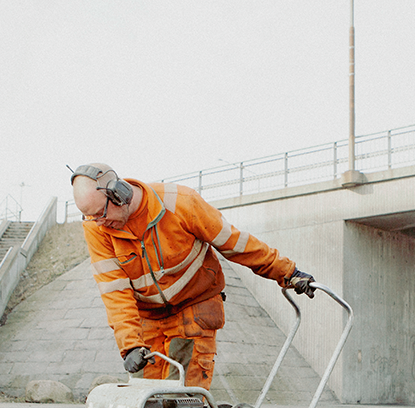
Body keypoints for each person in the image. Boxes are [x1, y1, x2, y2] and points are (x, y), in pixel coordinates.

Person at [70, 163, 315, 390]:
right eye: (90, 217)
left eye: (101, 214)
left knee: (182, 398)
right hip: (148, 316)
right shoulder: (97, 227)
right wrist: (130, 344)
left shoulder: (180, 203)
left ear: (119, 194)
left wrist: (287, 272)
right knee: (143, 399)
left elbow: (236, 244)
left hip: (194, 308)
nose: (99, 223)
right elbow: (114, 291)